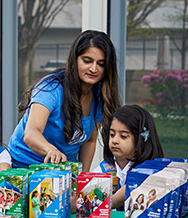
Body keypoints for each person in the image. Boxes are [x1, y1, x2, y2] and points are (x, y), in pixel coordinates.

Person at [8, 30, 121, 170]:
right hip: (24, 166)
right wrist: (51, 151)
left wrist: (82, 179)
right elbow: (31, 133)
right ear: (75, 59)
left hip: (63, 171)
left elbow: (90, 141)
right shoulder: (51, 88)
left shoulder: (100, 95)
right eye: (87, 61)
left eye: (101, 64)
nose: (93, 68)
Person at [97, 105, 165, 209]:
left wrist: (112, 201)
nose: (115, 140)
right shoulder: (104, 169)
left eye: (123, 136)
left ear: (141, 140)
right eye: (112, 134)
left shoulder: (151, 171)